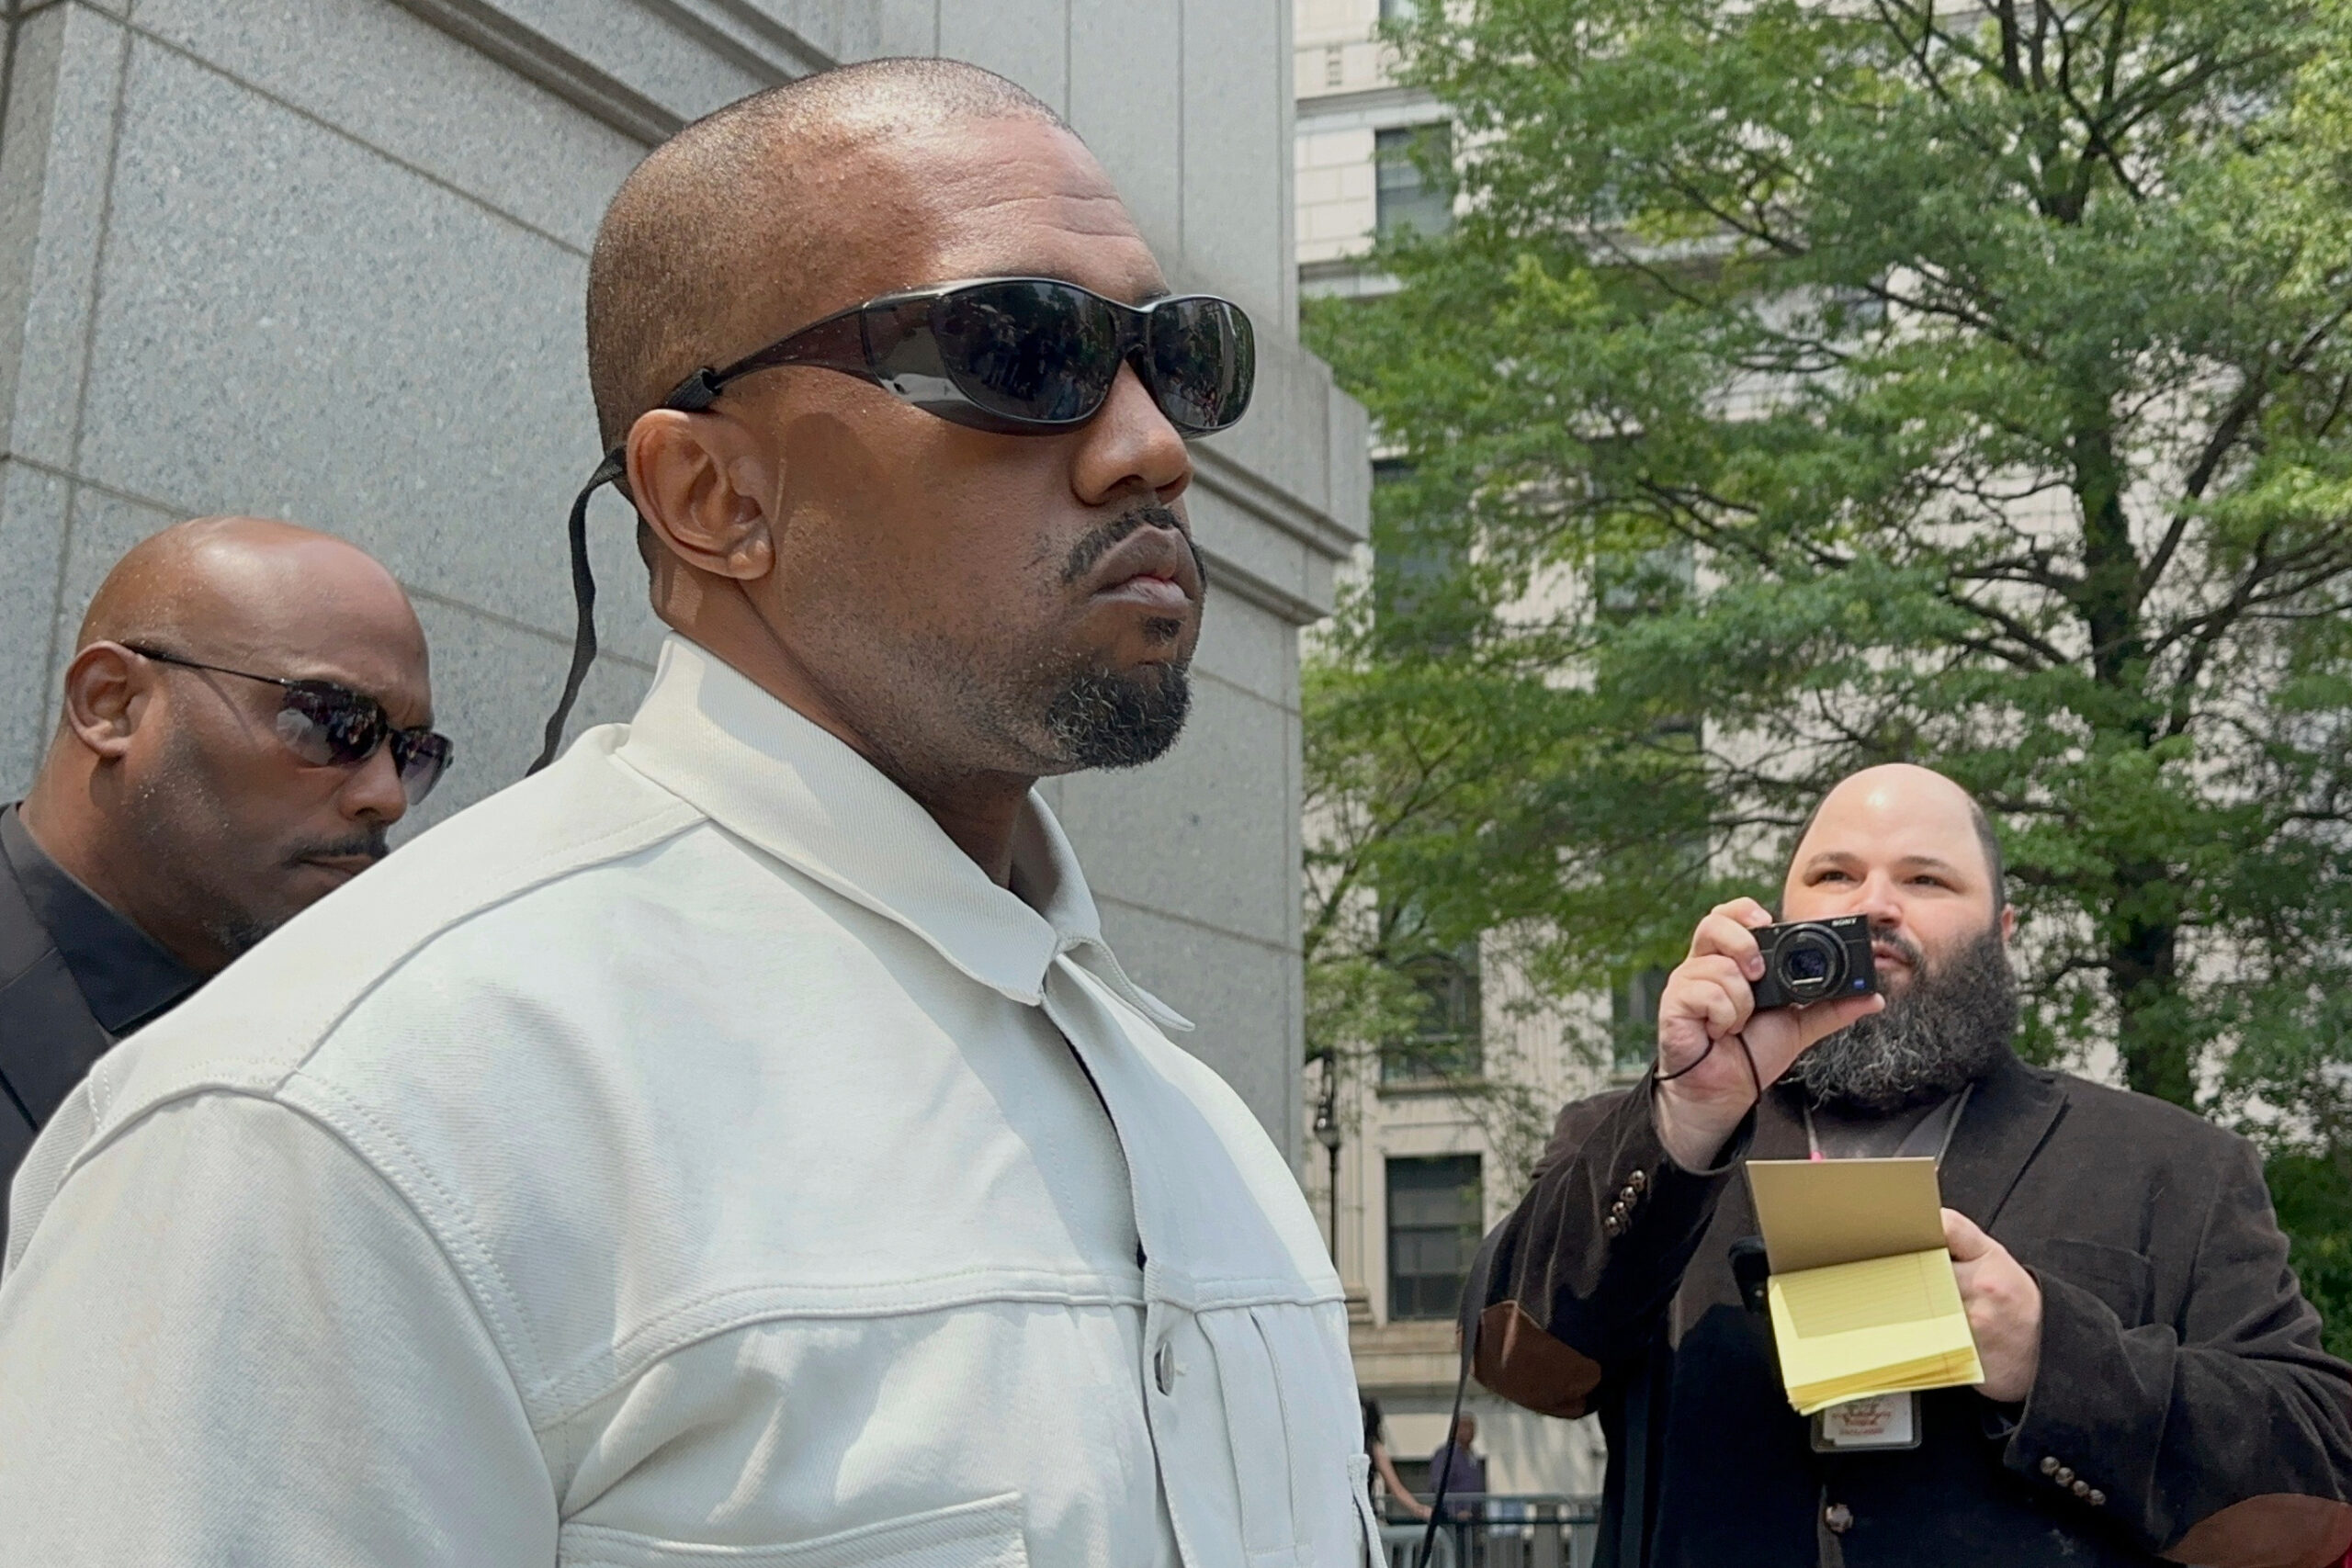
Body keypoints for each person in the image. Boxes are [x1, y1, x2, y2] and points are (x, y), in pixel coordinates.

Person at [0, 60, 1373, 1565]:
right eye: (1023, 346)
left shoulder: (1204, 1129)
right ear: (712, 495)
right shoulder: (339, 1122)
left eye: (1182, 360)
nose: (1154, 446)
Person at [1464, 763, 2352, 1567]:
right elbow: (1513, 1360)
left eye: (1926, 879)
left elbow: (2321, 1482)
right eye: (1833, 875)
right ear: (1778, 917)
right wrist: (1684, 1116)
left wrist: (2053, 1355)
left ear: (2003, 931)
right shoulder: (1647, 1134)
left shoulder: (2172, 1164)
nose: (1875, 904)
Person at [0, 516, 441, 1248]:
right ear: (112, 704)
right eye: (332, 722)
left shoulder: (368, 1086)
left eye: (414, 752)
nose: (387, 795)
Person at [1365, 1396, 1436, 1522]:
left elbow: (1396, 1488)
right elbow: (1396, 1489)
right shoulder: (1373, 1448)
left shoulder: (1373, 1448)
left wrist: (1418, 1509)